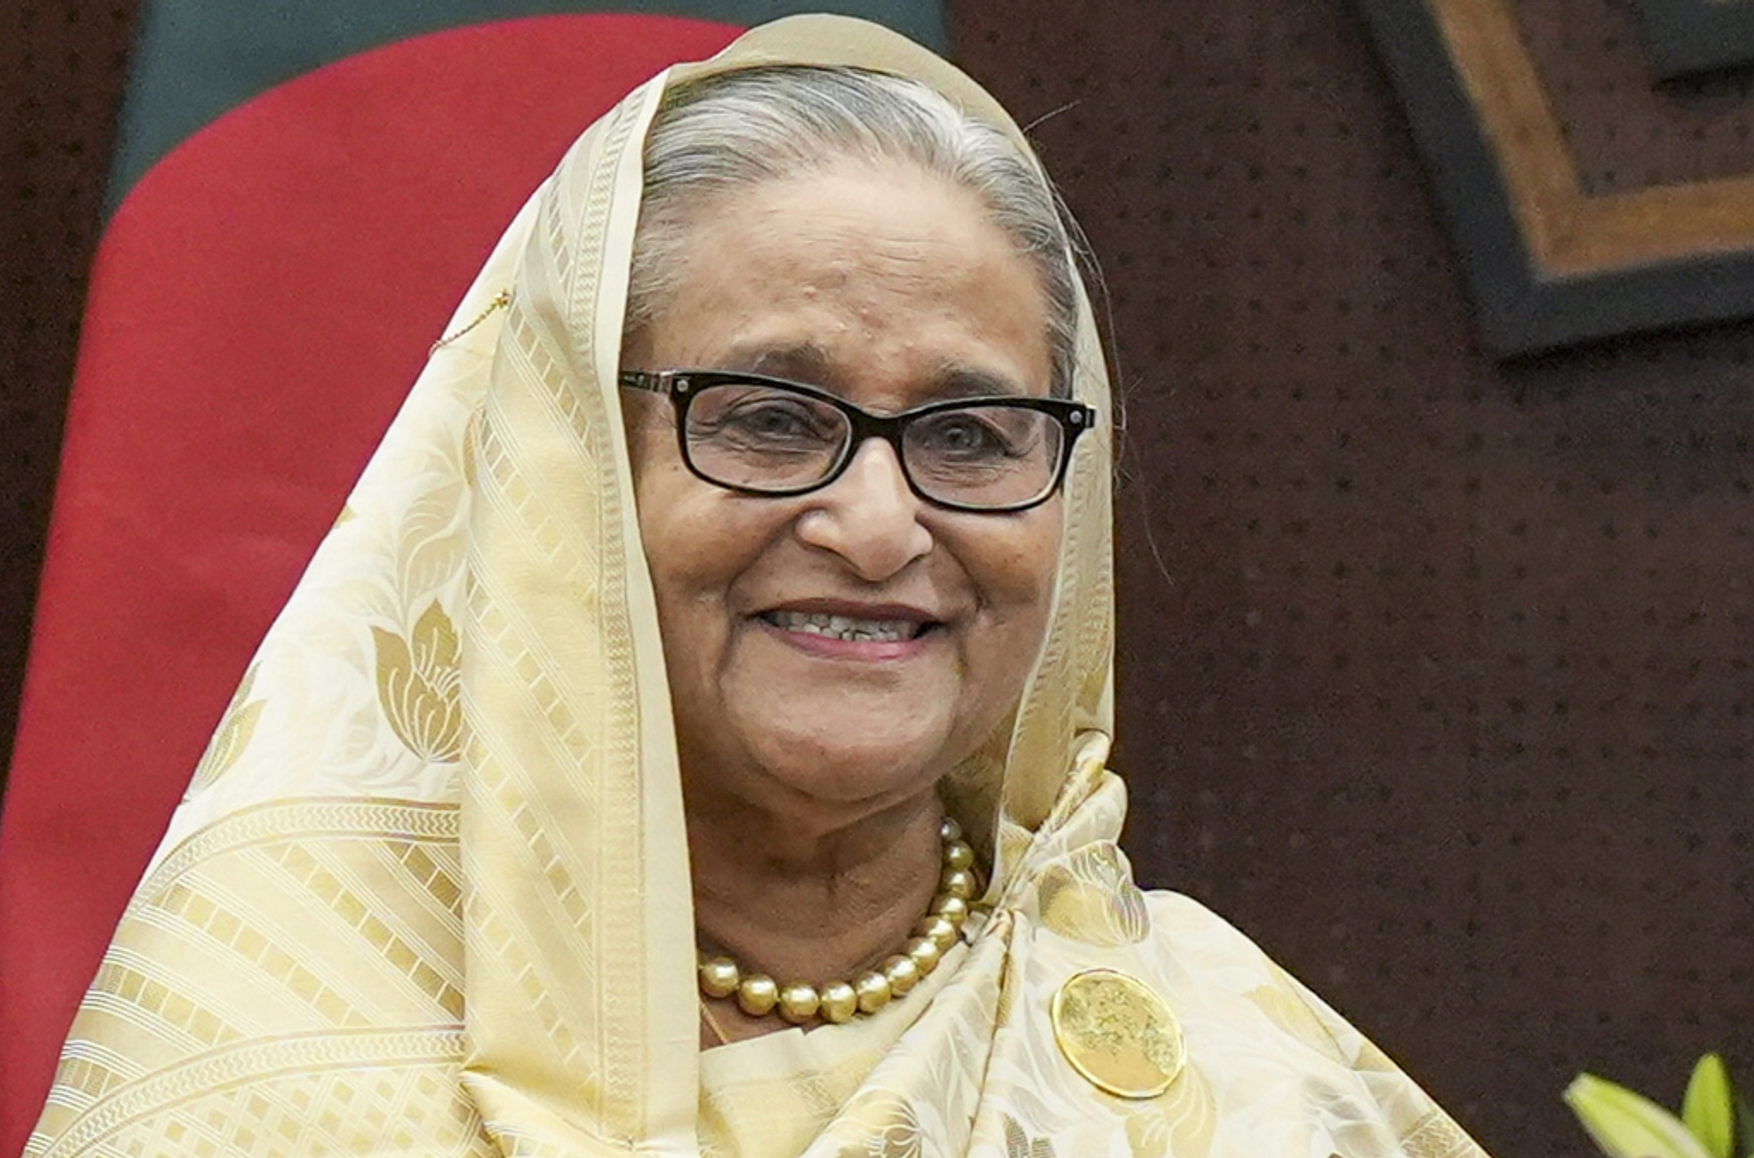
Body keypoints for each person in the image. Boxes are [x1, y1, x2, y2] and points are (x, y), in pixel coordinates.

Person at [23, 15, 1491, 1158]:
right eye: (771, 419)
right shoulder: (266, 1083)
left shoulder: (1239, 1089)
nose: (878, 525)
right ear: (565, 474)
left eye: (970, 435)